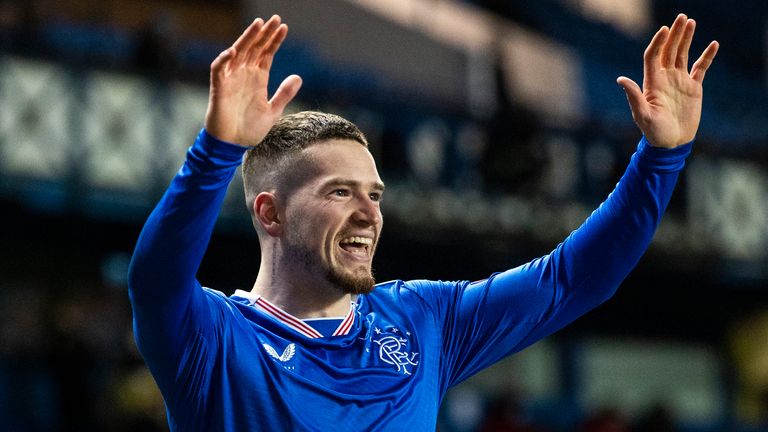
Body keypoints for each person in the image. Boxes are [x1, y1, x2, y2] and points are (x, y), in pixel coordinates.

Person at [128, 13, 718, 431]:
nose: (368, 214)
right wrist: (216, 152)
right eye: (340, 192)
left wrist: (660, 158)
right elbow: (156, 279)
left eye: (376, 195)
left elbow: (573, 279)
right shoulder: (211, 339)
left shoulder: (422, 321)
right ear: (270, 211)